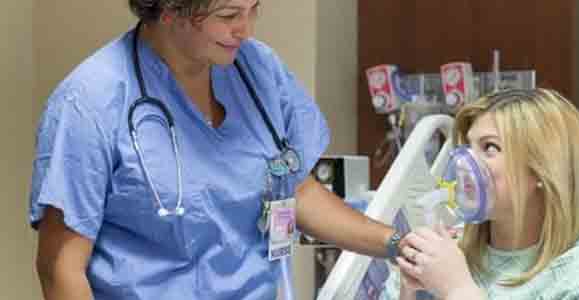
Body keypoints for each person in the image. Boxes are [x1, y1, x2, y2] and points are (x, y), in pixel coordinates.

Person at [30, 1, 404, 299]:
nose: (246, 29)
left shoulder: (258, 71)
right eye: (228, 15)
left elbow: (296, 189)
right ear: (170, 9)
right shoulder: (90, 102)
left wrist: (397, 244)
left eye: (254, 9)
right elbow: (61, 269)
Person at [384, 89, 579, 299]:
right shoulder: (448, 253)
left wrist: (457, 290)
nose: (464, 163)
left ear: (543, 168)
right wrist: (411, 293)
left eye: (489, 147)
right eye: (466, 147)